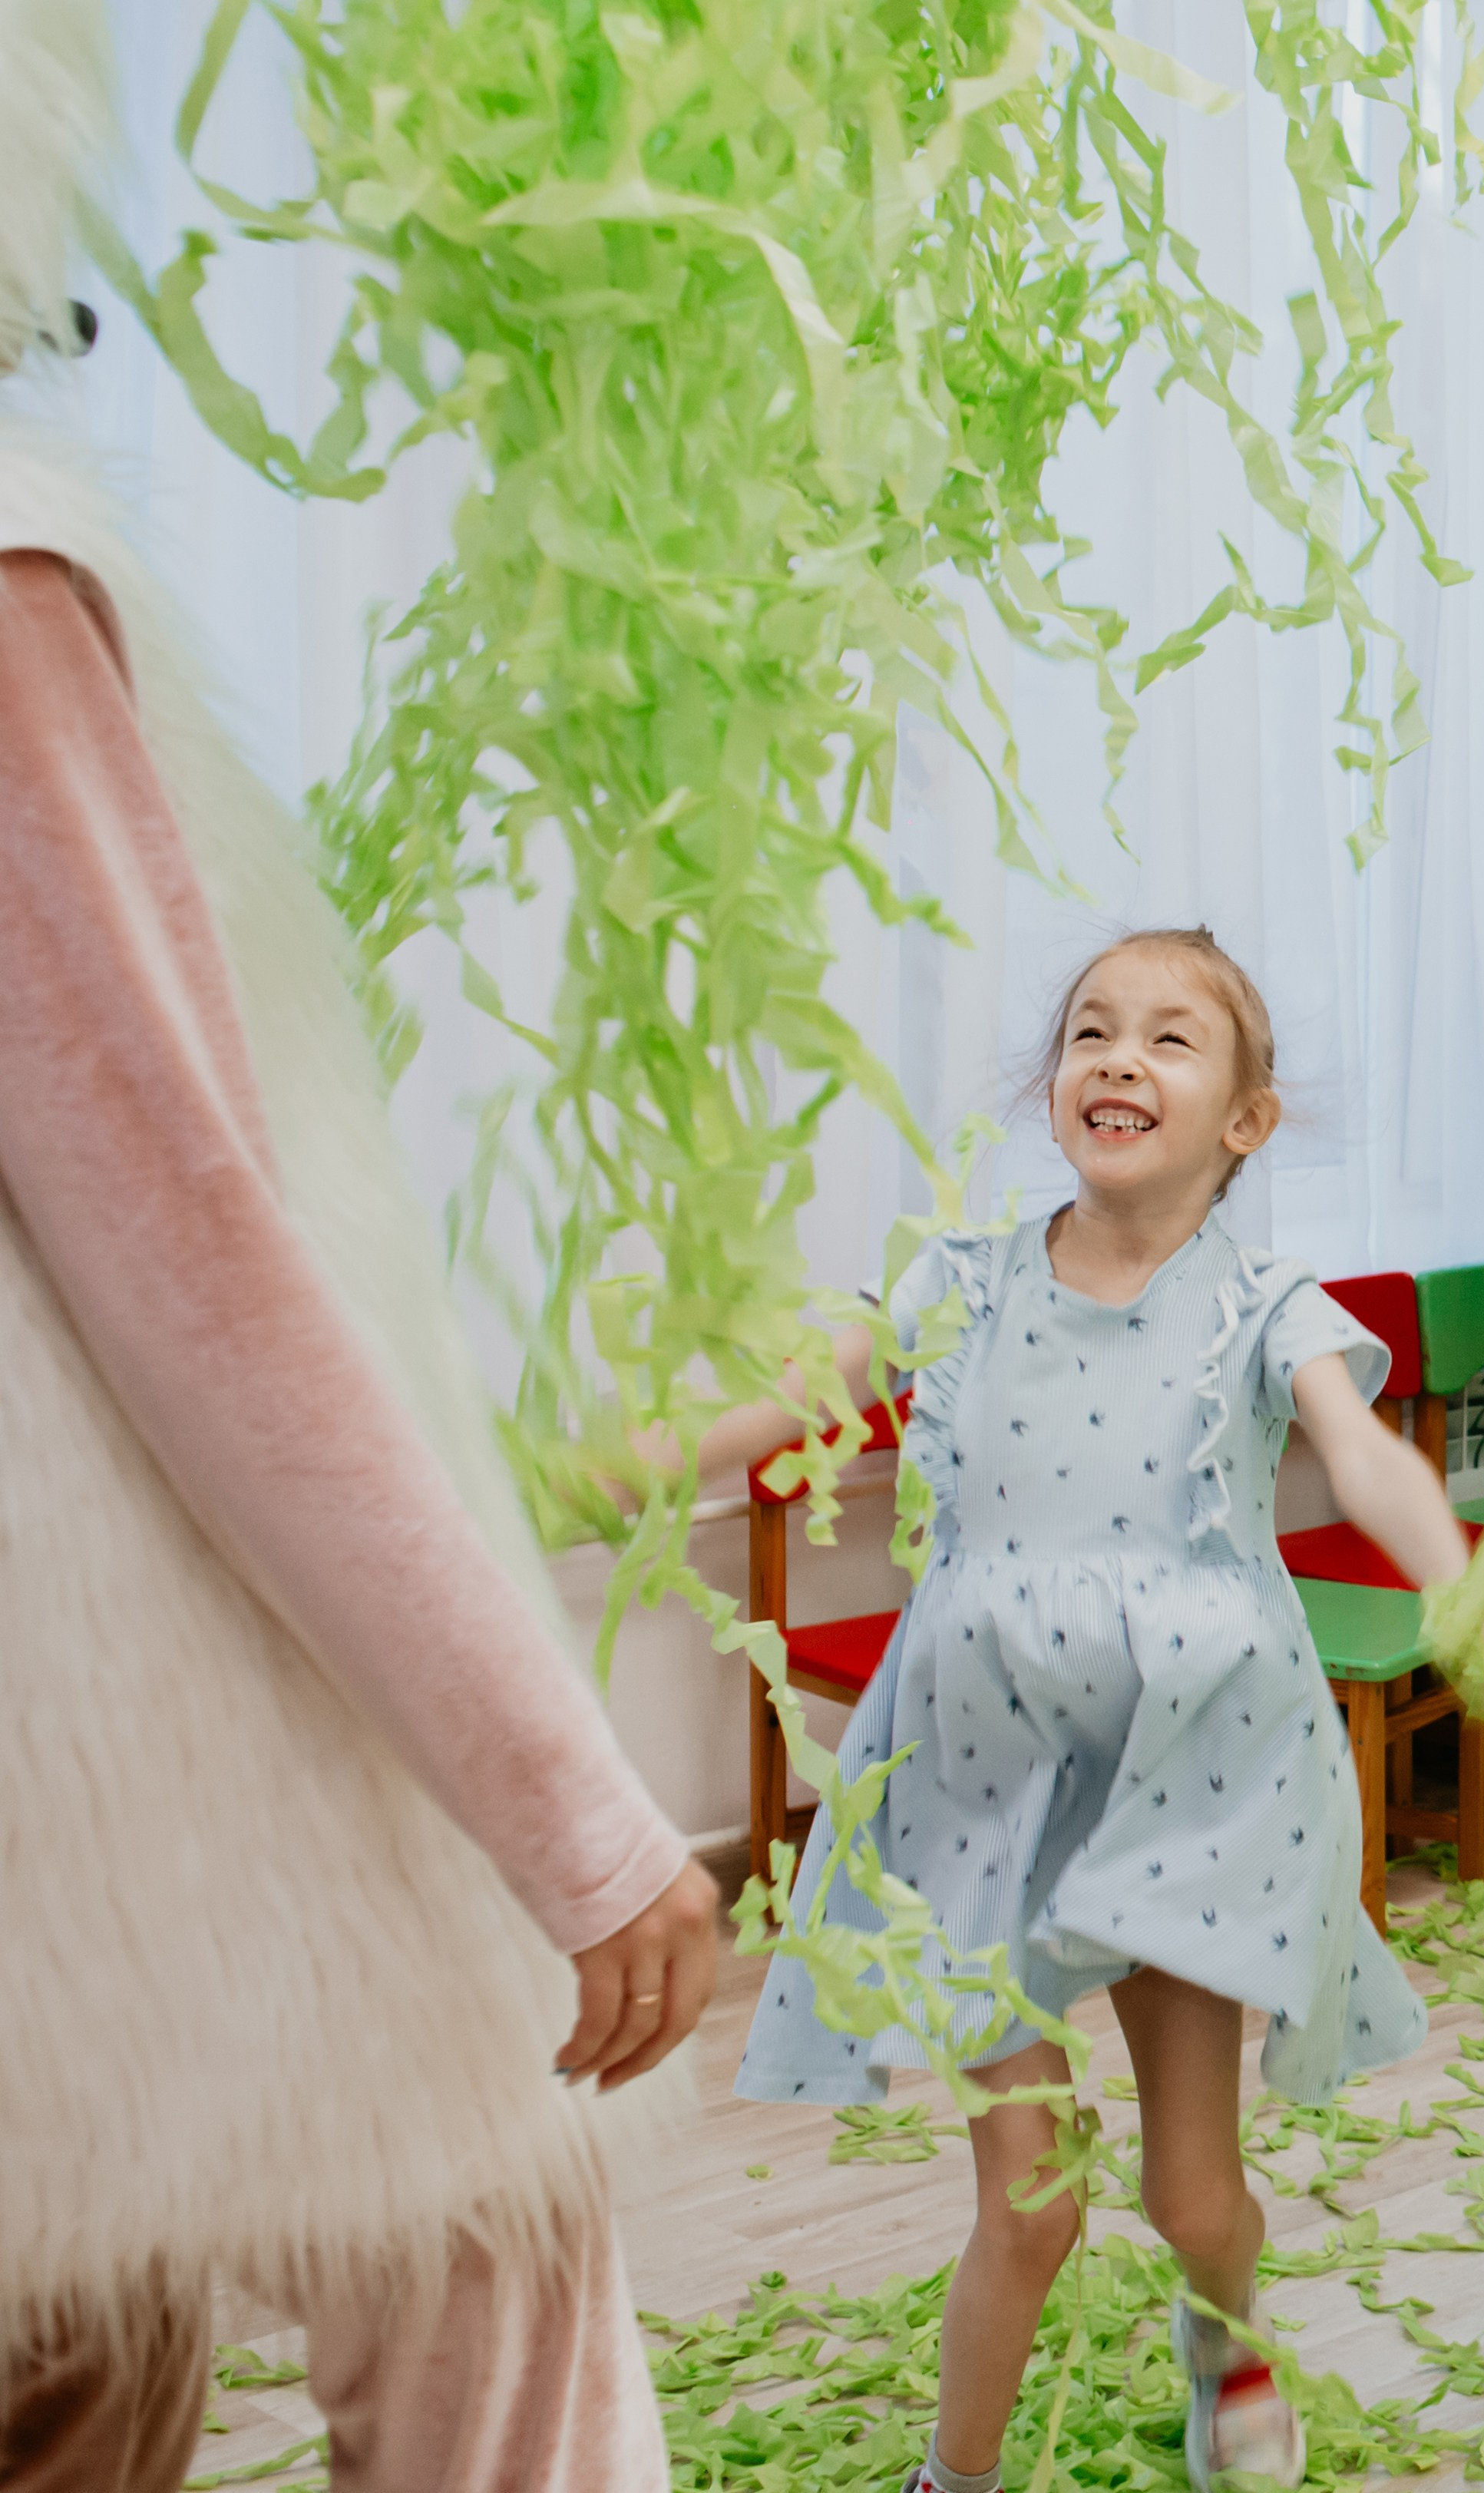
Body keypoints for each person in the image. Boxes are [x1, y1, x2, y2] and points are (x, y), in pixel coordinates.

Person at [0, 9, 716, 2485]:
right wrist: (572, 1814)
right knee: (483, 2232)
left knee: (80, 2364)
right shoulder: (6, 574)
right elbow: (186, 1247)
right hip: (107, 1735)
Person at [735, 927, 1484, 2493]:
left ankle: (1224, 2341)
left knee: (1189, 2190)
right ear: (1055, 1092)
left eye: (1172, 1039)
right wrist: (567, 1474)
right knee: (1027, 2200)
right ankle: (951, 2480)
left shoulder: (1266, 1301)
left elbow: (1365, 1457)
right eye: (1092, 1030)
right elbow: (784, 1402)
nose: (1119, 1055)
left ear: (1246, 1119)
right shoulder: (956, 1283)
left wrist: (1456, 1587)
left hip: (1193, 1778)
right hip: (980, 1787)